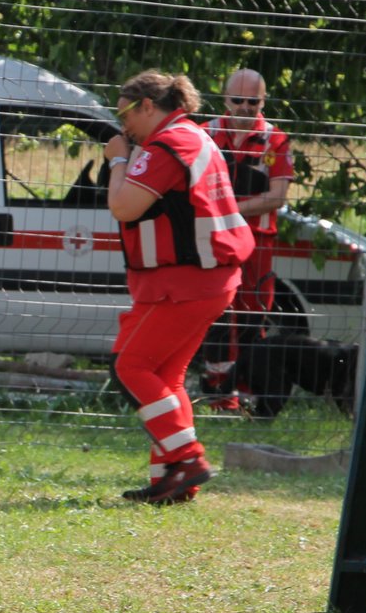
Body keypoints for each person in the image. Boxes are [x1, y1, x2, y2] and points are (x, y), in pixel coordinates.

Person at [103, 71, 255, 504]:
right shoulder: (193, 136)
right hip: (203, 279)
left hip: (186, 281)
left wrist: (118, 160)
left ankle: (187, 458)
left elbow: (123, 205)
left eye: (126, 114)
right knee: (166, 377)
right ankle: (170, 480)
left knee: (130, 368)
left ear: (148, 106)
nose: (124, 127)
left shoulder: (168, 144)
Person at [197, 69, 294, 413]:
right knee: (217, 315)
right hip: (214, 240)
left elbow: (276, 196)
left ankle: (253, 393)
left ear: (263, 101)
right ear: (224, 99)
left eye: (252, 101)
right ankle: (219, 398)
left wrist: (229, 208)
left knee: (254, 318)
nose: (244, 107)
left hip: (257, 244)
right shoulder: (204, 135)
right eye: (237, 100)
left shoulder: (275, 140)